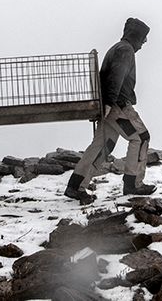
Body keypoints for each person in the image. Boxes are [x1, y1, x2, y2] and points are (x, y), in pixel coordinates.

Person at [65, 17, 156, 204]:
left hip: (109, 105)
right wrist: (110, 102)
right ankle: (133, 183)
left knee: (102, 145)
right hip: (118, 106)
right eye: (143, 38)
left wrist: (105, 103)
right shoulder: (126, 50)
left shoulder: (117, 48)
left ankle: (75, 186)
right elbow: (116, 76)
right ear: (136, 36)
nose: (144, 42)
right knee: (141, 137)